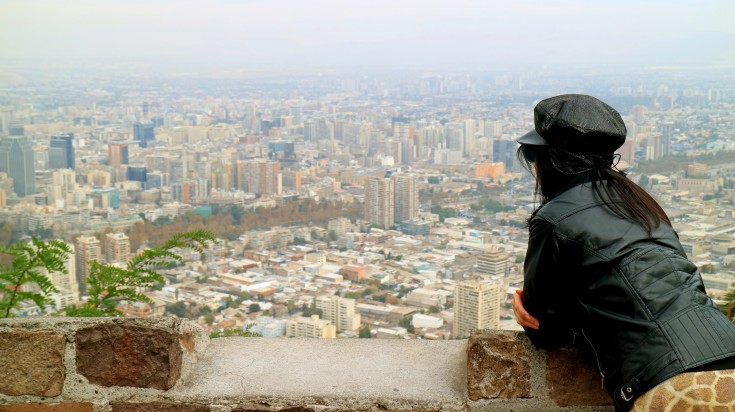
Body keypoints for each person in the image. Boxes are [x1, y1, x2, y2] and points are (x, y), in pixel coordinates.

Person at [511, 94, 735, 411]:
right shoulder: (640, 202)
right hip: (726, 351)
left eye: (534, 156)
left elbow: (546, 333)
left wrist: (524, 313)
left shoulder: (554, 218)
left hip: (675, 384)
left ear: (549, 160)